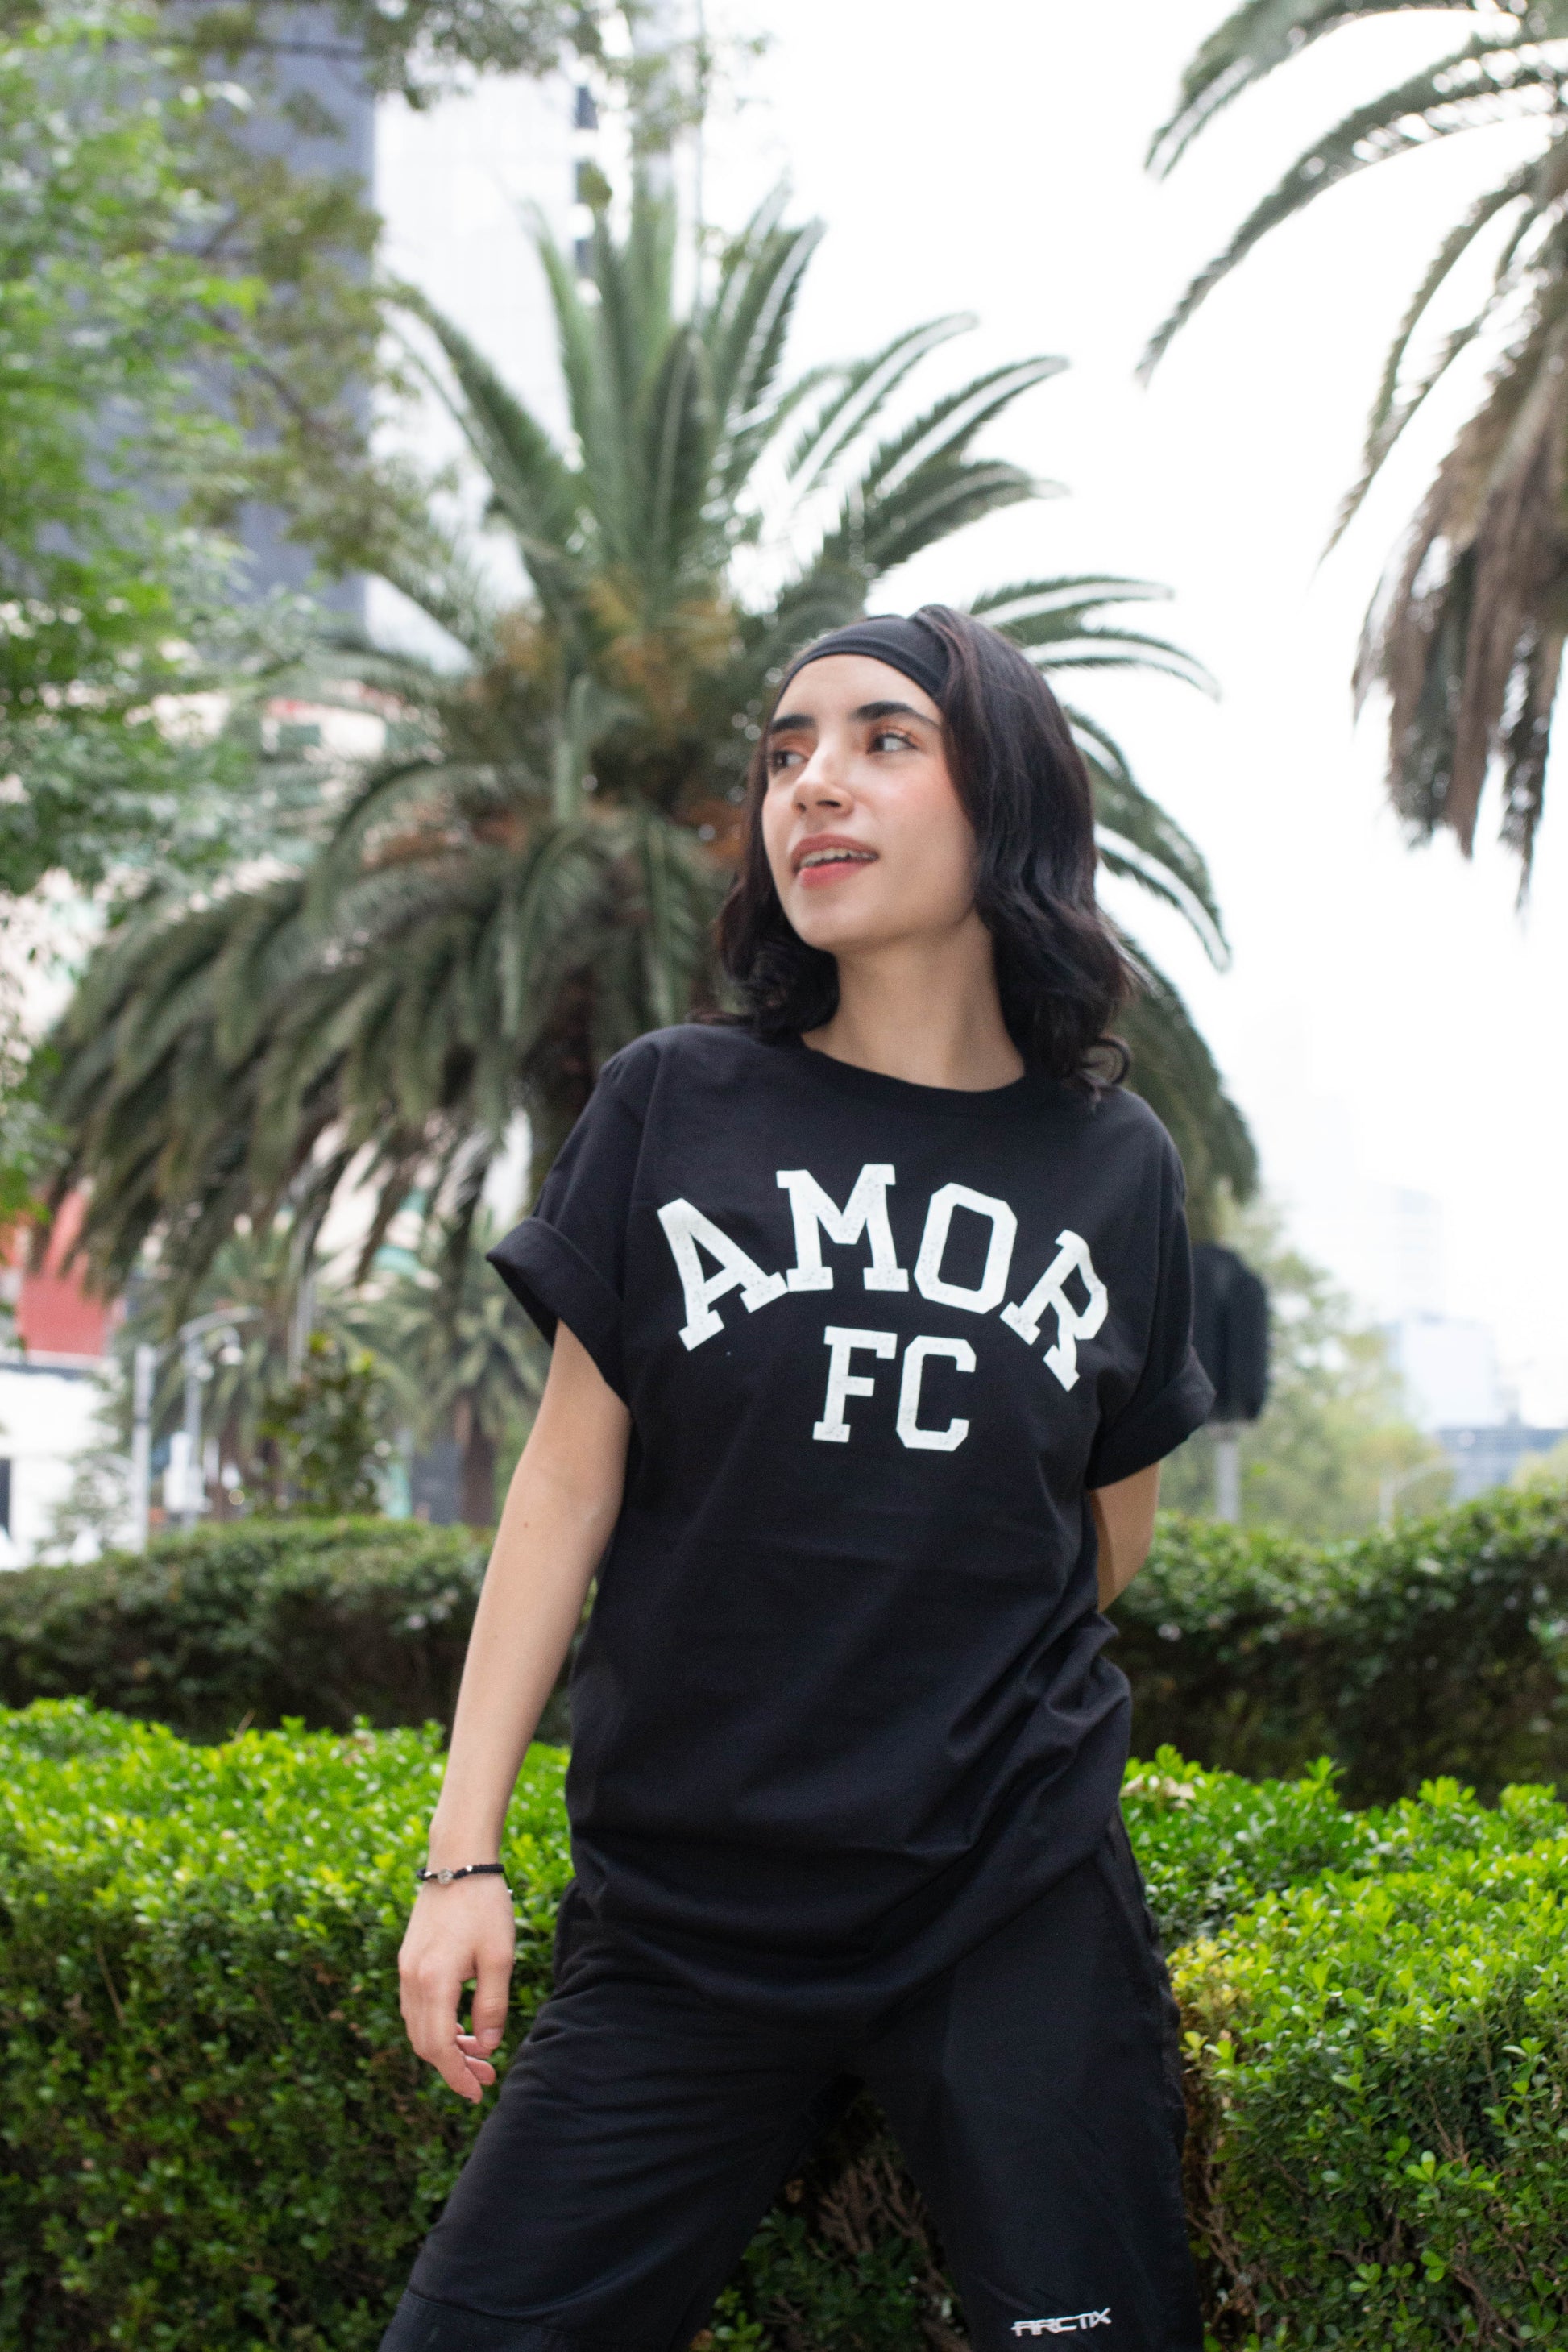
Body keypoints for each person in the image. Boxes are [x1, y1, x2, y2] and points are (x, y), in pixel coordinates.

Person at [382, 606, 1213, 2352]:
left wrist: (925, 1682)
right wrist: (465, 1864)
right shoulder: (674, 1104)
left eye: (882, 739)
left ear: (1006, 799)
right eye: (784, 753)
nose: (812, 784)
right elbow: (561, 1490)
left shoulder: (1114, 1166)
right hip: (687, 1911)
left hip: (1008, 1903)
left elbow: (1100, 1535)